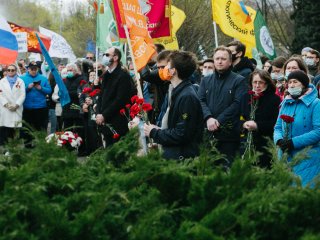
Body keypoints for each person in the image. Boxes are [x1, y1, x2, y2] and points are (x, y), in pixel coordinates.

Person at [144, 50, 203, 160]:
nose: (162, 70)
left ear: (173, 71)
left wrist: (155, 133)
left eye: (167, 66)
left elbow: (182, 133)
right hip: (175, 154)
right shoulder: (177, 91)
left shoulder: (187, 96)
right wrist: (159, 130)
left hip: (183, 158)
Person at [198, 46, 247, 165]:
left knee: (227, 171)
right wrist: (208, 117)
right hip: (208, 134)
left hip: (229, 136)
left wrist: (218, 121)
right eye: (217, 58)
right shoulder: (205, 80)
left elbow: (237, 104)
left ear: (230, 62)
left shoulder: (239, 80)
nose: (220, 61)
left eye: (223, 59)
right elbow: (200, 100)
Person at [274, 70, 320, 187]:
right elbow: (278, 127)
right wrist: (279, 141)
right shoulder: (285, 102)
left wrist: (293, 142)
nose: (292, 85)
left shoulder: (315, 103)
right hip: (285, 156)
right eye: (289, 82)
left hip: (308, 157)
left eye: (295, 82)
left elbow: (318, 131)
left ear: (304, 84)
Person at [96, 47, 136, 147]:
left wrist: (104, 115)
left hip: (117, 121)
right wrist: (98, 113)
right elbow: (101, 95)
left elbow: (120, 100)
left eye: (107, 55)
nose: (104, 57)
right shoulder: (106, 75)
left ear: (115, 57)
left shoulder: (123, 76)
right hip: (105, 120)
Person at [240, 69, 280, 168]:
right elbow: (237, 117)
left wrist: (257, 125)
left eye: (261, 82)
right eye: (255, 82)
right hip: (246, 143)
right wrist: (243, 124)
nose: (257, 85)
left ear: (267, 83)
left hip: (265, 145)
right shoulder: (245, 97)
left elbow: (275, 123)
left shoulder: (274, 99)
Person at [21, 61, 52, 147]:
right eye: (32, 69)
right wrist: (28, 88)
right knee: (27, 128)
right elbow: (19, 92)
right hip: (27, 108)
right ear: (28, 69)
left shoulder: (43, 78)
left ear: (37, 69)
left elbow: (49, 91)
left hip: (41, 107)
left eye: (35, 69)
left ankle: (41, 146)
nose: (34, 71)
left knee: (41, 128)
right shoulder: (22, 78)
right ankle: (28, 145)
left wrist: (41, 88)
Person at [0, 64, 26, 149]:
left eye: (12, 70)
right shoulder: (2, 81)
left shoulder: (20, 81)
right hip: (5, 109)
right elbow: (0, 95)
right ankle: (5, 149)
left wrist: (17, 104)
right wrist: (7, 104)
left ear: (15, 71)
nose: (10, 72)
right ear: (6, 71)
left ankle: (15, 148)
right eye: (9, 70)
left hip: (16, 109)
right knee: (5, 129)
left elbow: (23, 95)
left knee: (15, 129)